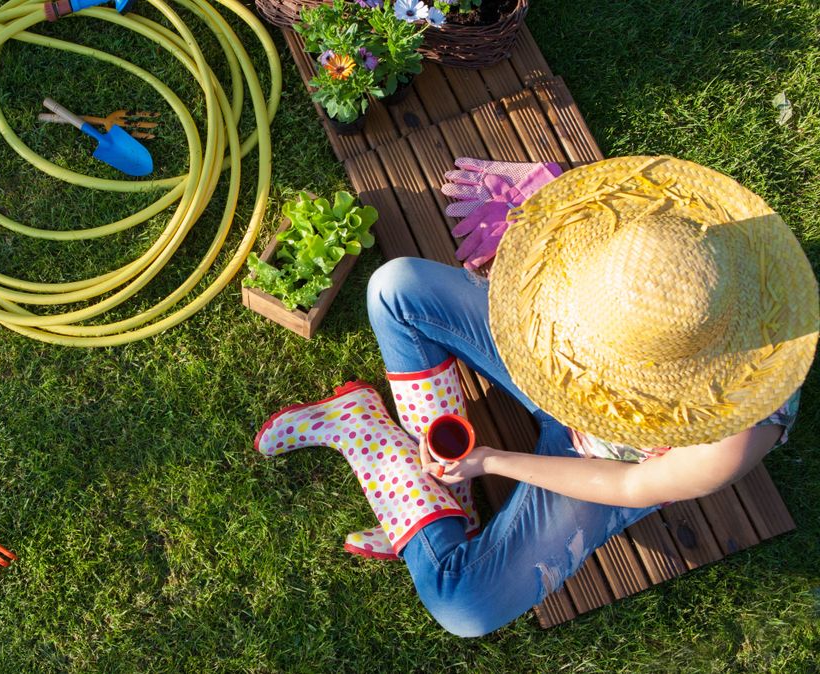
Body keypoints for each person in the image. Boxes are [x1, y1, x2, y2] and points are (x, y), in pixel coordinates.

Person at [254, 156, 818, 636]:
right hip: (558, 359)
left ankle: (367, 437)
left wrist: (494, 461)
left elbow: (630, 483)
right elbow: (592, 232)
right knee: (396, 287)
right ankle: (451, 500)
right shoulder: (680, 253)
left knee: (462, 605)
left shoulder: (735, 431)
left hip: (597, 462)